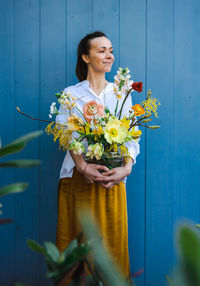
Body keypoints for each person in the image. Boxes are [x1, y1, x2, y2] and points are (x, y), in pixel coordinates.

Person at [56, 31, 140, 278]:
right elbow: (66, 134)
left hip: (111, 182)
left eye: (111, 50)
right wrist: (83, 166)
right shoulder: (71, 94)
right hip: (78, 181)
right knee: (77, 248)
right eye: (102, 50)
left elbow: (133, 136)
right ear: (85, 57)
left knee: (111, 251)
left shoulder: (121, 92)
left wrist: (126, 169)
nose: (109, 55)